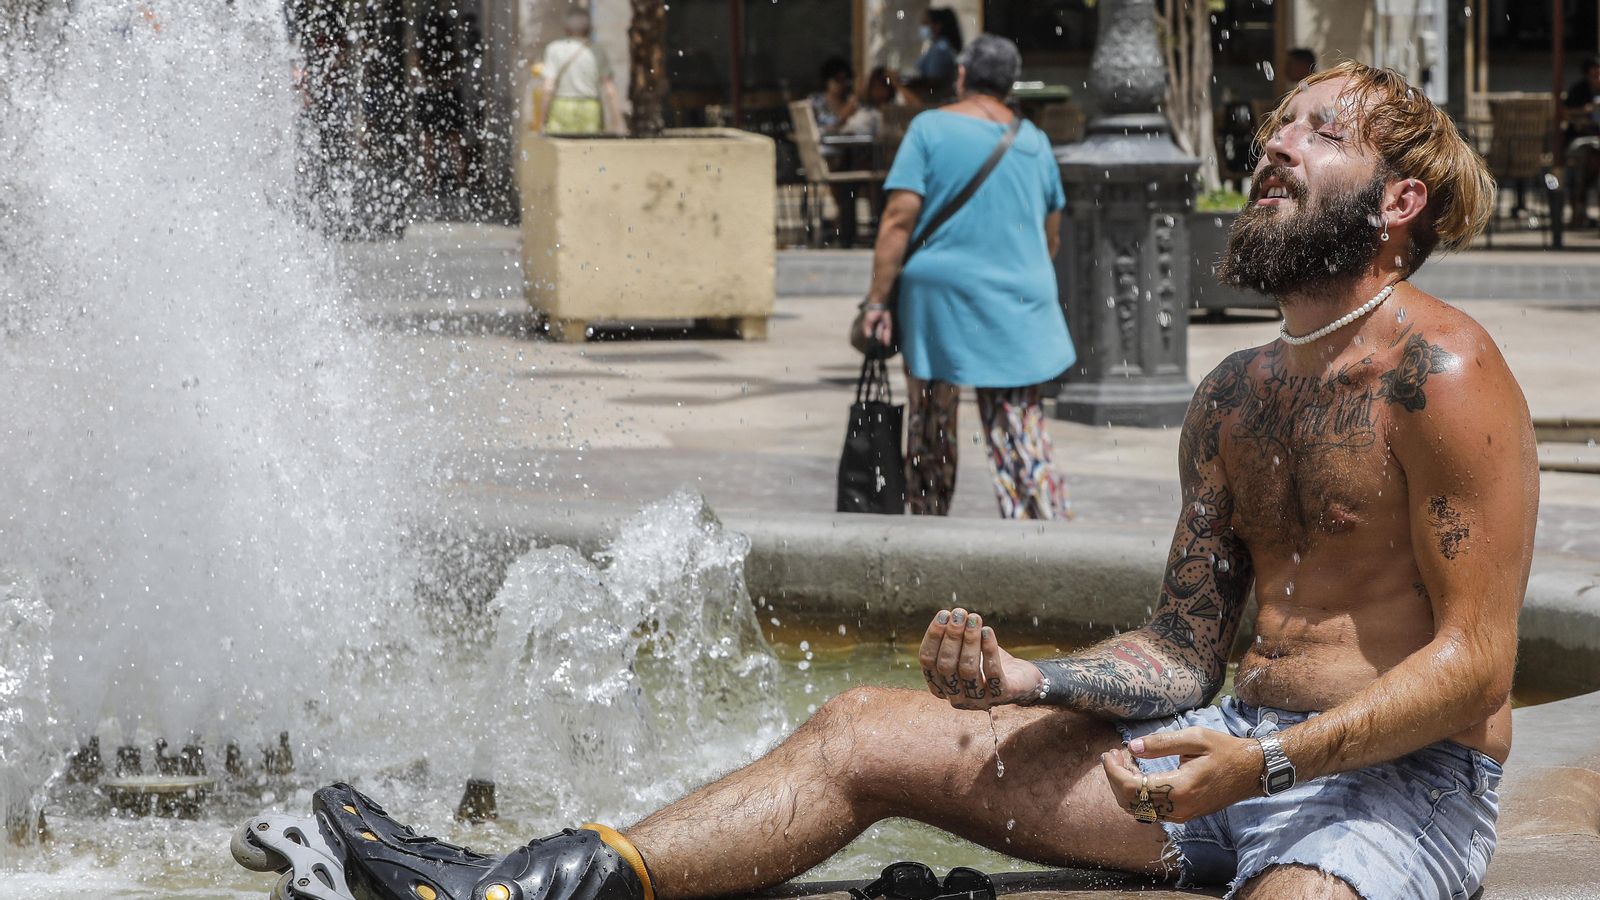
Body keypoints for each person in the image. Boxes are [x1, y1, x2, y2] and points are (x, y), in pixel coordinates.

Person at [266, 60, 1532, 900]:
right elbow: (1182, 646)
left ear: (1397, 200)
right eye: (1277, 123)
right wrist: (1026, 681)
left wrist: (1263, 773)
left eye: (1320, 131)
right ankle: (507, 889)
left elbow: (1475, 667)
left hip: (1389, 789)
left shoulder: (1448, 374)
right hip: (1224, 750)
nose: (1273, 145)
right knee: (859, 732)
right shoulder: (1235, 397)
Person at [862, 34, 1073, 519]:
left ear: (961, 76)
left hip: (941, 300)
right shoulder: (1034, 142)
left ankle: (928, 518)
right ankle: (1042, 532)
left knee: (932, 416)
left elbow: (898, 219)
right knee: (1019, 423)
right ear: (1011, 83)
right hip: (1018, 301)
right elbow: (1051, 236)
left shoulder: (929, 128)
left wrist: (876, 301)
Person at [809, 57, 865, 246]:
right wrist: (845, 114)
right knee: (843, 173)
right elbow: (823, 131)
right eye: (837, 80)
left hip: (851, 152)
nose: (841, 85)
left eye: (845, 81)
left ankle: (845, 226)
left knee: (858, 166)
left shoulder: (852, 103)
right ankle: (844, 227)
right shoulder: (817, 102)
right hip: (826, 155)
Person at [540, 8, 623, 135]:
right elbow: (610, 90)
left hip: (561, 108)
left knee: (559, 151)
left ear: (566, 28)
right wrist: (617, 123)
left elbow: (547, 88)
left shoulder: (554, 49)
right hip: (590, 109)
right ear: (589, 28)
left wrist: (541, 121)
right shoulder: (597, 50)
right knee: (590, 151)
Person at [1563, 57, 1600, 228]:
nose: (1597, 78)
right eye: (1594, 75)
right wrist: (1586, 110)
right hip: (1578, 140)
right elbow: (1566, 113)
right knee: (1585, 162)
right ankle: (1579, 208)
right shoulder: (1579, 90)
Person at [906, 7, 963, 107]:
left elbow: (934, 81)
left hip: (934, 103)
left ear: (938, 25)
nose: (922, 27)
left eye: (926, 23)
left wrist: (908, 84)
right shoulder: (936, 47)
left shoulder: (941, 49)